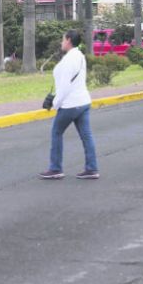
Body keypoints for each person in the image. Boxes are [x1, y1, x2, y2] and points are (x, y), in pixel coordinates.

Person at [39, 30, 98, 180]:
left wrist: (55, 104)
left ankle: (55, 168)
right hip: (83, 101)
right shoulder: (79, 56)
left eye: (63, 39)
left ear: (69, 40)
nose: (61, 42)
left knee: (56, 132)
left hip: (70, 104)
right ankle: (92, 168)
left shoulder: (69, 60)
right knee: (87, 136)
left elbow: (64, 86)